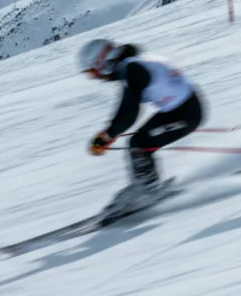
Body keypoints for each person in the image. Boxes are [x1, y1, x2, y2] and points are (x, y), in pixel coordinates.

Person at [78, 38, 204, 216]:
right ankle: (147, 186)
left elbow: (129, 113)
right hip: (178, 109)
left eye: (94, 72)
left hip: (186, 114)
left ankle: (149, 189)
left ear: (102, 62)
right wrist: (109, 133)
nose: (97, 78)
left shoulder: (132, 69)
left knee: (139, 144)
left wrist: (107, 136)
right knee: (138, 143)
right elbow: (126, 107)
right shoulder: (131, 65)